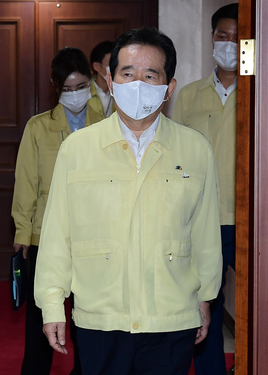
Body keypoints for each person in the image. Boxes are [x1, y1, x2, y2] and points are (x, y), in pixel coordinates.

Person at [34, 27, 223, 375]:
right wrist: (51, 305)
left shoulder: (195, 149)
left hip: (170, 318)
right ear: (109, 79)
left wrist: (205, 296)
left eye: (150, 75)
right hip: (101, 319)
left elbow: (206, 232)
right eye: (127, 73)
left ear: (168, 88)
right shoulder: (77, 149)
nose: (137, 84)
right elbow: (58, 235)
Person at [12, 47, 105, 375]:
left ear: (92, 83)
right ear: (56, 88)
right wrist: (22, 232)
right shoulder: (38, 127)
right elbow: (26, 183)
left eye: (82, 87)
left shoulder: (105, 125)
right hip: (45, 236)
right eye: (68, 89)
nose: (76, 95)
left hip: (92, 236)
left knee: (88, 319)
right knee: (41, 318)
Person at [172, 4, 238, 374]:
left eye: (237, 38)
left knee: (253, 306)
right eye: (221, 36)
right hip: (201, 219)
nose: (228, 44)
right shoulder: (191, 95)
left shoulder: (260, 95)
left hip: (248, 220)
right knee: (205, 302)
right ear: (212, 38)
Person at [89, 40, 115, 117]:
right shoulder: (86, 92)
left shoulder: (121, 89)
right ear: (97, 66)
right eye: (110, 63)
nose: (114, 67)